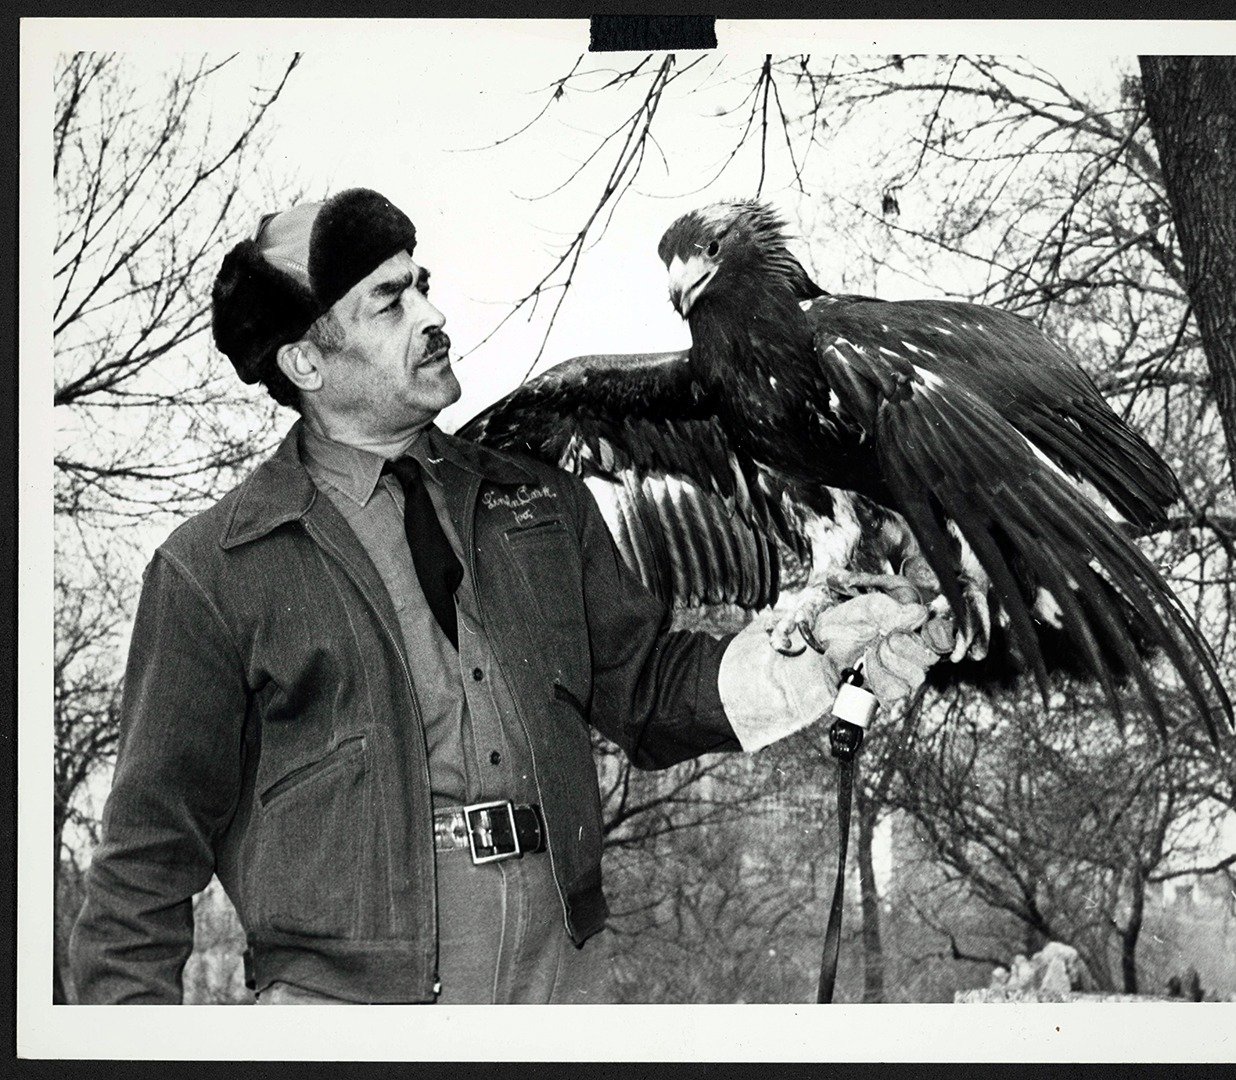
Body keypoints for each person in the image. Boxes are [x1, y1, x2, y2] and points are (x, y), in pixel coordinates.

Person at [69, 188, 943, 1004]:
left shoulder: (532, 502)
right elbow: (144, 864)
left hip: (557, 982)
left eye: (423, 285)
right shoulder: (214, 569)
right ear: (305, 359)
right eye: (389, 301)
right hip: (346, 1013)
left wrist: (823, 647)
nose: (432, 314)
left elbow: (644, 690)